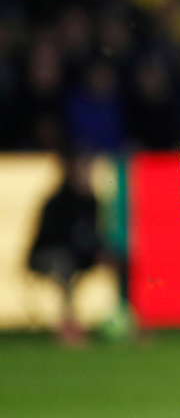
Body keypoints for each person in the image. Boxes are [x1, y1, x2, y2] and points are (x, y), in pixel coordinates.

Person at [28, 148, 103, 346]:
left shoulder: (91, 202)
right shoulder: (57, 202)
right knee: (64, 266)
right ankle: (68, 324)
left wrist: (101, 252)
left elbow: (94, 235)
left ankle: (129, 315)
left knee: (120, 260)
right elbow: (52, 240)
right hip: (47, 256)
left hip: (79, 255)